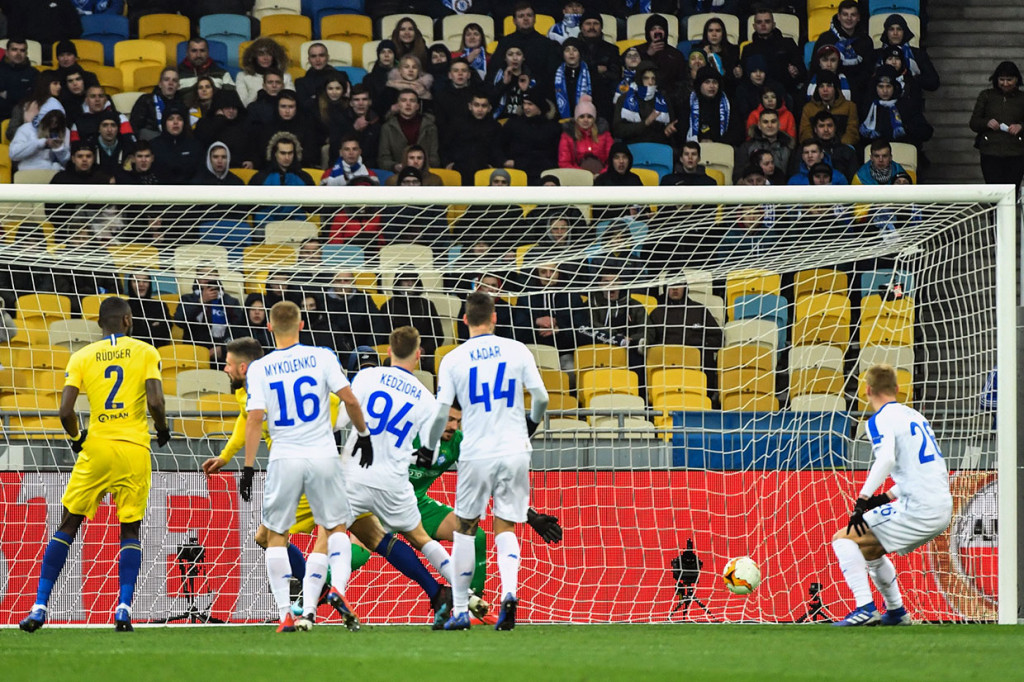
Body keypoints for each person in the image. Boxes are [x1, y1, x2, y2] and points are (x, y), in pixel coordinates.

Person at [19, 297, 169, 633]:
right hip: (133, 449)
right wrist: (162, 430)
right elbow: (156, 402)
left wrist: (76, 438)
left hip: (96, 448)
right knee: (130, 528)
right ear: (128, 320)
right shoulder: (146, 352)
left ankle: (39, 606)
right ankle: (123, 609)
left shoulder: (82, 356)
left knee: (68, 524)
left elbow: (65, 412)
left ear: (100, 324)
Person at [240, 301, 373, 632]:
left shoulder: (259, 368)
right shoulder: (322, 356)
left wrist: (248, 467)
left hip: (285, 457)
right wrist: (363, 434)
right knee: (335, 528)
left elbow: (254, 418)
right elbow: (350, 400)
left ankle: (285, 614)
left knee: (276, 535)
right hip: (323, 455)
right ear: (301, 325)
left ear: (269, 327)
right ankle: (337, 589)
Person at [429, 291, 550, 630]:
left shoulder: (453, 358)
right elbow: (541, 397)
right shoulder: (517, 349)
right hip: (514, 448)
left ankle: (460, 610)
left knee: (466, 529)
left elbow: (441, 411)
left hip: (477, 451)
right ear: (494, 318)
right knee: (506, 525)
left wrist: (429, 445)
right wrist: (531, 424)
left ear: (464, 320)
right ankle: (509, 593)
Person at [336, 325, 459, 629]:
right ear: (418, 355)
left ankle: (324, 597)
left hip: (354, 473)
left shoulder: (367, 376)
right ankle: (458, 594)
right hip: (393, 481)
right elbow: (429, 451)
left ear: (388, 351)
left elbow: (339, 421)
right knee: (419, 538)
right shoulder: (428, 400)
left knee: (335, 533)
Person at [831, 364, 952, 626]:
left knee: (843, 539)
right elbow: (922, 469)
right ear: (897, 388)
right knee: (870, 548)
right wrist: (884, 497)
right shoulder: (915, 416)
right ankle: (896, 613)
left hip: (919, 508)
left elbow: (886, 459)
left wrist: (863, 499)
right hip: (940, 504)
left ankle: (864, 608)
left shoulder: (879, 419)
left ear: (867, 390)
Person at [969, 61, 1024, 190]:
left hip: (1016, 152)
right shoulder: (986, 95)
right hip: (990, 152)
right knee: (994, 191)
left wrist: (1021, 127)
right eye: (1002, 80)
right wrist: (986, 123)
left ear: (1016, 79)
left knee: (1012, 191)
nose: (1005, 83)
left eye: (1009, 80)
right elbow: (974, 123)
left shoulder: (1022, 98)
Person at [173, 271, 245, 366]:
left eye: (211, 274)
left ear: (217, 277)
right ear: (197, 279)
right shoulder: (187, 299)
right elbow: (180, 321)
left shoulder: (230, 302)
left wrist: (223, 349)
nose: (207, 278)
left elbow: (239, 329)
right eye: (203, 274)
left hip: (223, 357)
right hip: (194, 354)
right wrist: (201, 301)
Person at [741, 9, 806, 103]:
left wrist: (796, 72)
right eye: (759, 22)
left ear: (774, 25)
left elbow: (802, 72)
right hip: (757, 95)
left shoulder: (788, 44)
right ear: (754, 26)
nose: (763, 25)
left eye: (767, 21)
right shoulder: (748, 49)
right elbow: (745, 78)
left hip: (786, 92)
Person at [498, 87, 561, 183]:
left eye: (530, 104)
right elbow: (498, 145)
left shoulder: (553, 128)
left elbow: (555, 155)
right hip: (516, 171)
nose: (526, 107)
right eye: (524, 103)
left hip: (543, 174)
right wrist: (504, 161)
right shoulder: (513, 124)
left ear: (540, 107)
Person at [812, 0, 873, 96]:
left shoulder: (865, 41)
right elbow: (815, 66)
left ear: (858, 18)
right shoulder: (825, 39)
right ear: (839, 17)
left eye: (853, 15)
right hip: (828, 86)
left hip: (859, 89)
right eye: (845, 14)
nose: (849, 18)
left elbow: (867, 71)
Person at [445, 90, 502, 183]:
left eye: (484, 106)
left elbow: (498, 150)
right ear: (470, 106)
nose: (480, 109)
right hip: (459, 169)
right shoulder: (457, 124)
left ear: (489, 108)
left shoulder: (495, 127)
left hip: (485, 170)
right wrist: (447, 163)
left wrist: (493, 165)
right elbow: (446, 145)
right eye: (476, 105)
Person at [613, 61, 676, 146]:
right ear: (639, 79)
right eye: (646, 78)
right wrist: (645, 123)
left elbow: (669, 126)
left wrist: (667, 131)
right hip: (632, 146)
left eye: (653, 78)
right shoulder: (624, 99)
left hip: (658, 146)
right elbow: (618, 130)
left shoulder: (663, 99)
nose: (650, 82)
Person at [378, 89, 441, 173]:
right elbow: (383, 159)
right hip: (397, 175)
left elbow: (434, 158)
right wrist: (395, 166)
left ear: (417, 106)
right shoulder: (387, 128)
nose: (408, 104)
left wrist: (422, 166)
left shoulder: (430, 127)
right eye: (404, 100)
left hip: (425, 174)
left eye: (412, 101)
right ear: (398, 105)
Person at [874, 14, 939, 93]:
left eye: (899, 29)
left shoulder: (917, 54)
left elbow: (934, 82)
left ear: (904, 31)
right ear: (886, 32)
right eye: (891, 29)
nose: (895, 33)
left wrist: (912, 78)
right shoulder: (876, 55)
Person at [799, 71, 859, 147]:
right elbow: (805, 133)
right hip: (816, 149)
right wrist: (818, 147)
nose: (825, 89)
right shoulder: (808, 108)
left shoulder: (849, 107)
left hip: (843, 148)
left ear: (835, 88)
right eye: (821, 86)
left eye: (829, 86)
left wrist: (839, 147)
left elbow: (852, 132)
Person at [734, 109, 793, 182]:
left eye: (773, 121)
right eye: (765, 122)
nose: (770, 125)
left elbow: (793, 175)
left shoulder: (788, 148)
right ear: (759, 125)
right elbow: (738, 175)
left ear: (779, 124)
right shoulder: (747, 147)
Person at [558, 96, 612, 174]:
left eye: (589, 117)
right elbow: (564, 163)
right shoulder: (567, 136)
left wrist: (602, 174)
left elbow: (612, 160)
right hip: (576, 176)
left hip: (602, 176)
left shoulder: (604, 134)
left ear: (594, 119)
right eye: (581, 117)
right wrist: (584, 176)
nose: (585, 120)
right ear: (576, 119)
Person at [150, 106, 202, 184]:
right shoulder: (154, 145)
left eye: (179, 119)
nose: (175, 122)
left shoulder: (195, 145)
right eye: (171, 119)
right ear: (164, 123)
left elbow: (199, 173)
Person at [130, 68, 184, 142]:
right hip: (150, 142)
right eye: (166, 79)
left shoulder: (182, 104)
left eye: (174, 80)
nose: (170, 83)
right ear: (160, 84)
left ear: (178, 86)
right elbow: (134, 127)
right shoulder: (146, 100)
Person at [237, 38, 294, 108]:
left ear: (275, 56)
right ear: (253, 57)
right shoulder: (242, 76)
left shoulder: (285, 77)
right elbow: (242, 105)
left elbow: (292, 102)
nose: (265, 58)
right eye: (261, 54)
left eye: (269, 54)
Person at [684, 66, 734, 144]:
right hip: (694, 147)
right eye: (707, 82)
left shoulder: (728, 104)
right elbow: (682, 130)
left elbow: (736, 131)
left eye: (715, 82)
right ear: (699, 85)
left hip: (722, 147)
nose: (712, 86)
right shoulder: (688, 103)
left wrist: (716, 142)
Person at [0, 37, 40, 120]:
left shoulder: (34, 73)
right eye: (14, 50)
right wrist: (22, 92)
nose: (18, 53)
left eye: (22, 50)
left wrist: (8, 94)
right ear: (7, 52)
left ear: (26, 53)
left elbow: (34, 97)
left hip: (25, 118)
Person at [295, 42, 339, 112]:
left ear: (327, 57)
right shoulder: (301, 83)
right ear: (309, 59)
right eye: (313, 56)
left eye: (321, 55)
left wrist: (314, 98)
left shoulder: (341, 78)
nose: (317, 60)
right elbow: (304, 107)